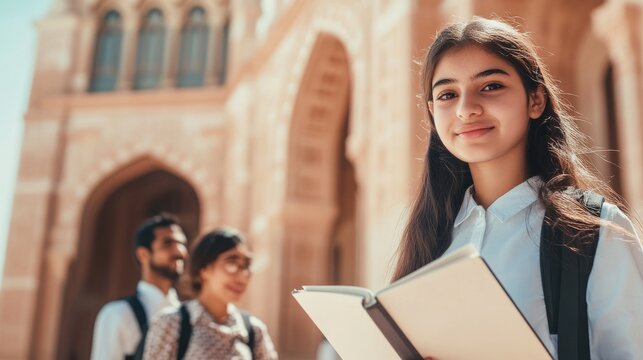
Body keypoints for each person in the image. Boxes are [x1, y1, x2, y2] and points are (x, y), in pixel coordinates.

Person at [393, 17, 643, 359]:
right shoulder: (429, 238)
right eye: (448, 94)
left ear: (535, 100)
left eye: (491, 86)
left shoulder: (593, 232)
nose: (467, 109)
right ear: (432, 114)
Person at [143, 228, 278, 359]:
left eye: (246, 266)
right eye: (232, 264)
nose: (242, 277)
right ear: (204, 269)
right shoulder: (171, 324)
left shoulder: (254, 330)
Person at [91, 213, 189, 360]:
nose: (179, 252)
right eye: (167, 244)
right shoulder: (118, 314)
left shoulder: (189, 317)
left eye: (182, 244)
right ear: (143, 254)